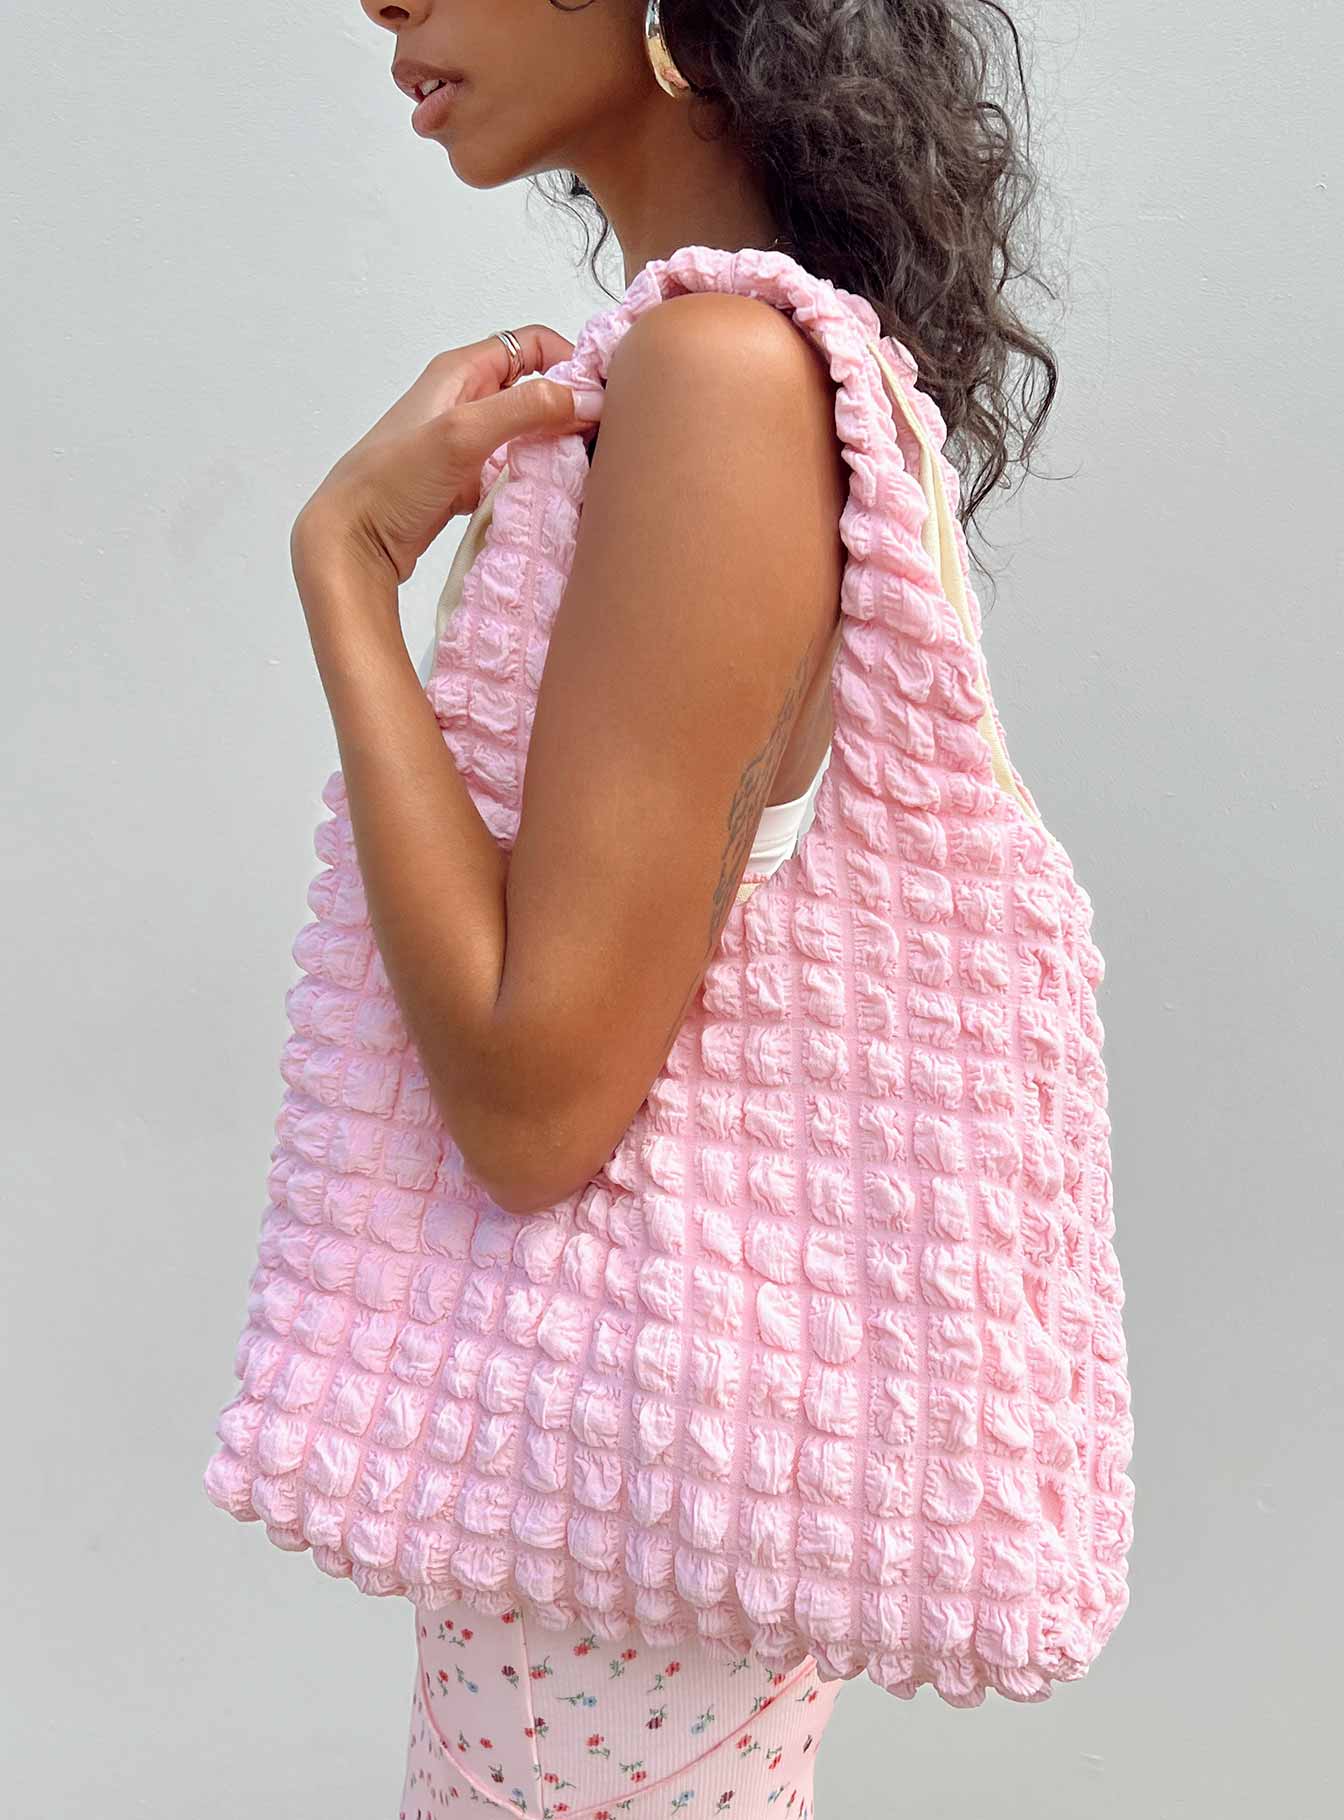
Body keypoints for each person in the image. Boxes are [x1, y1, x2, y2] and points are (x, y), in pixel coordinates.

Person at [291, 4, 1062, 1813]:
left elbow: (532, 1108)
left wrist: (345, 566)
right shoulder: (742, 369)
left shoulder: (720, 377)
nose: (378, 1)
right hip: (631, 1574)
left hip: (614, 1584)